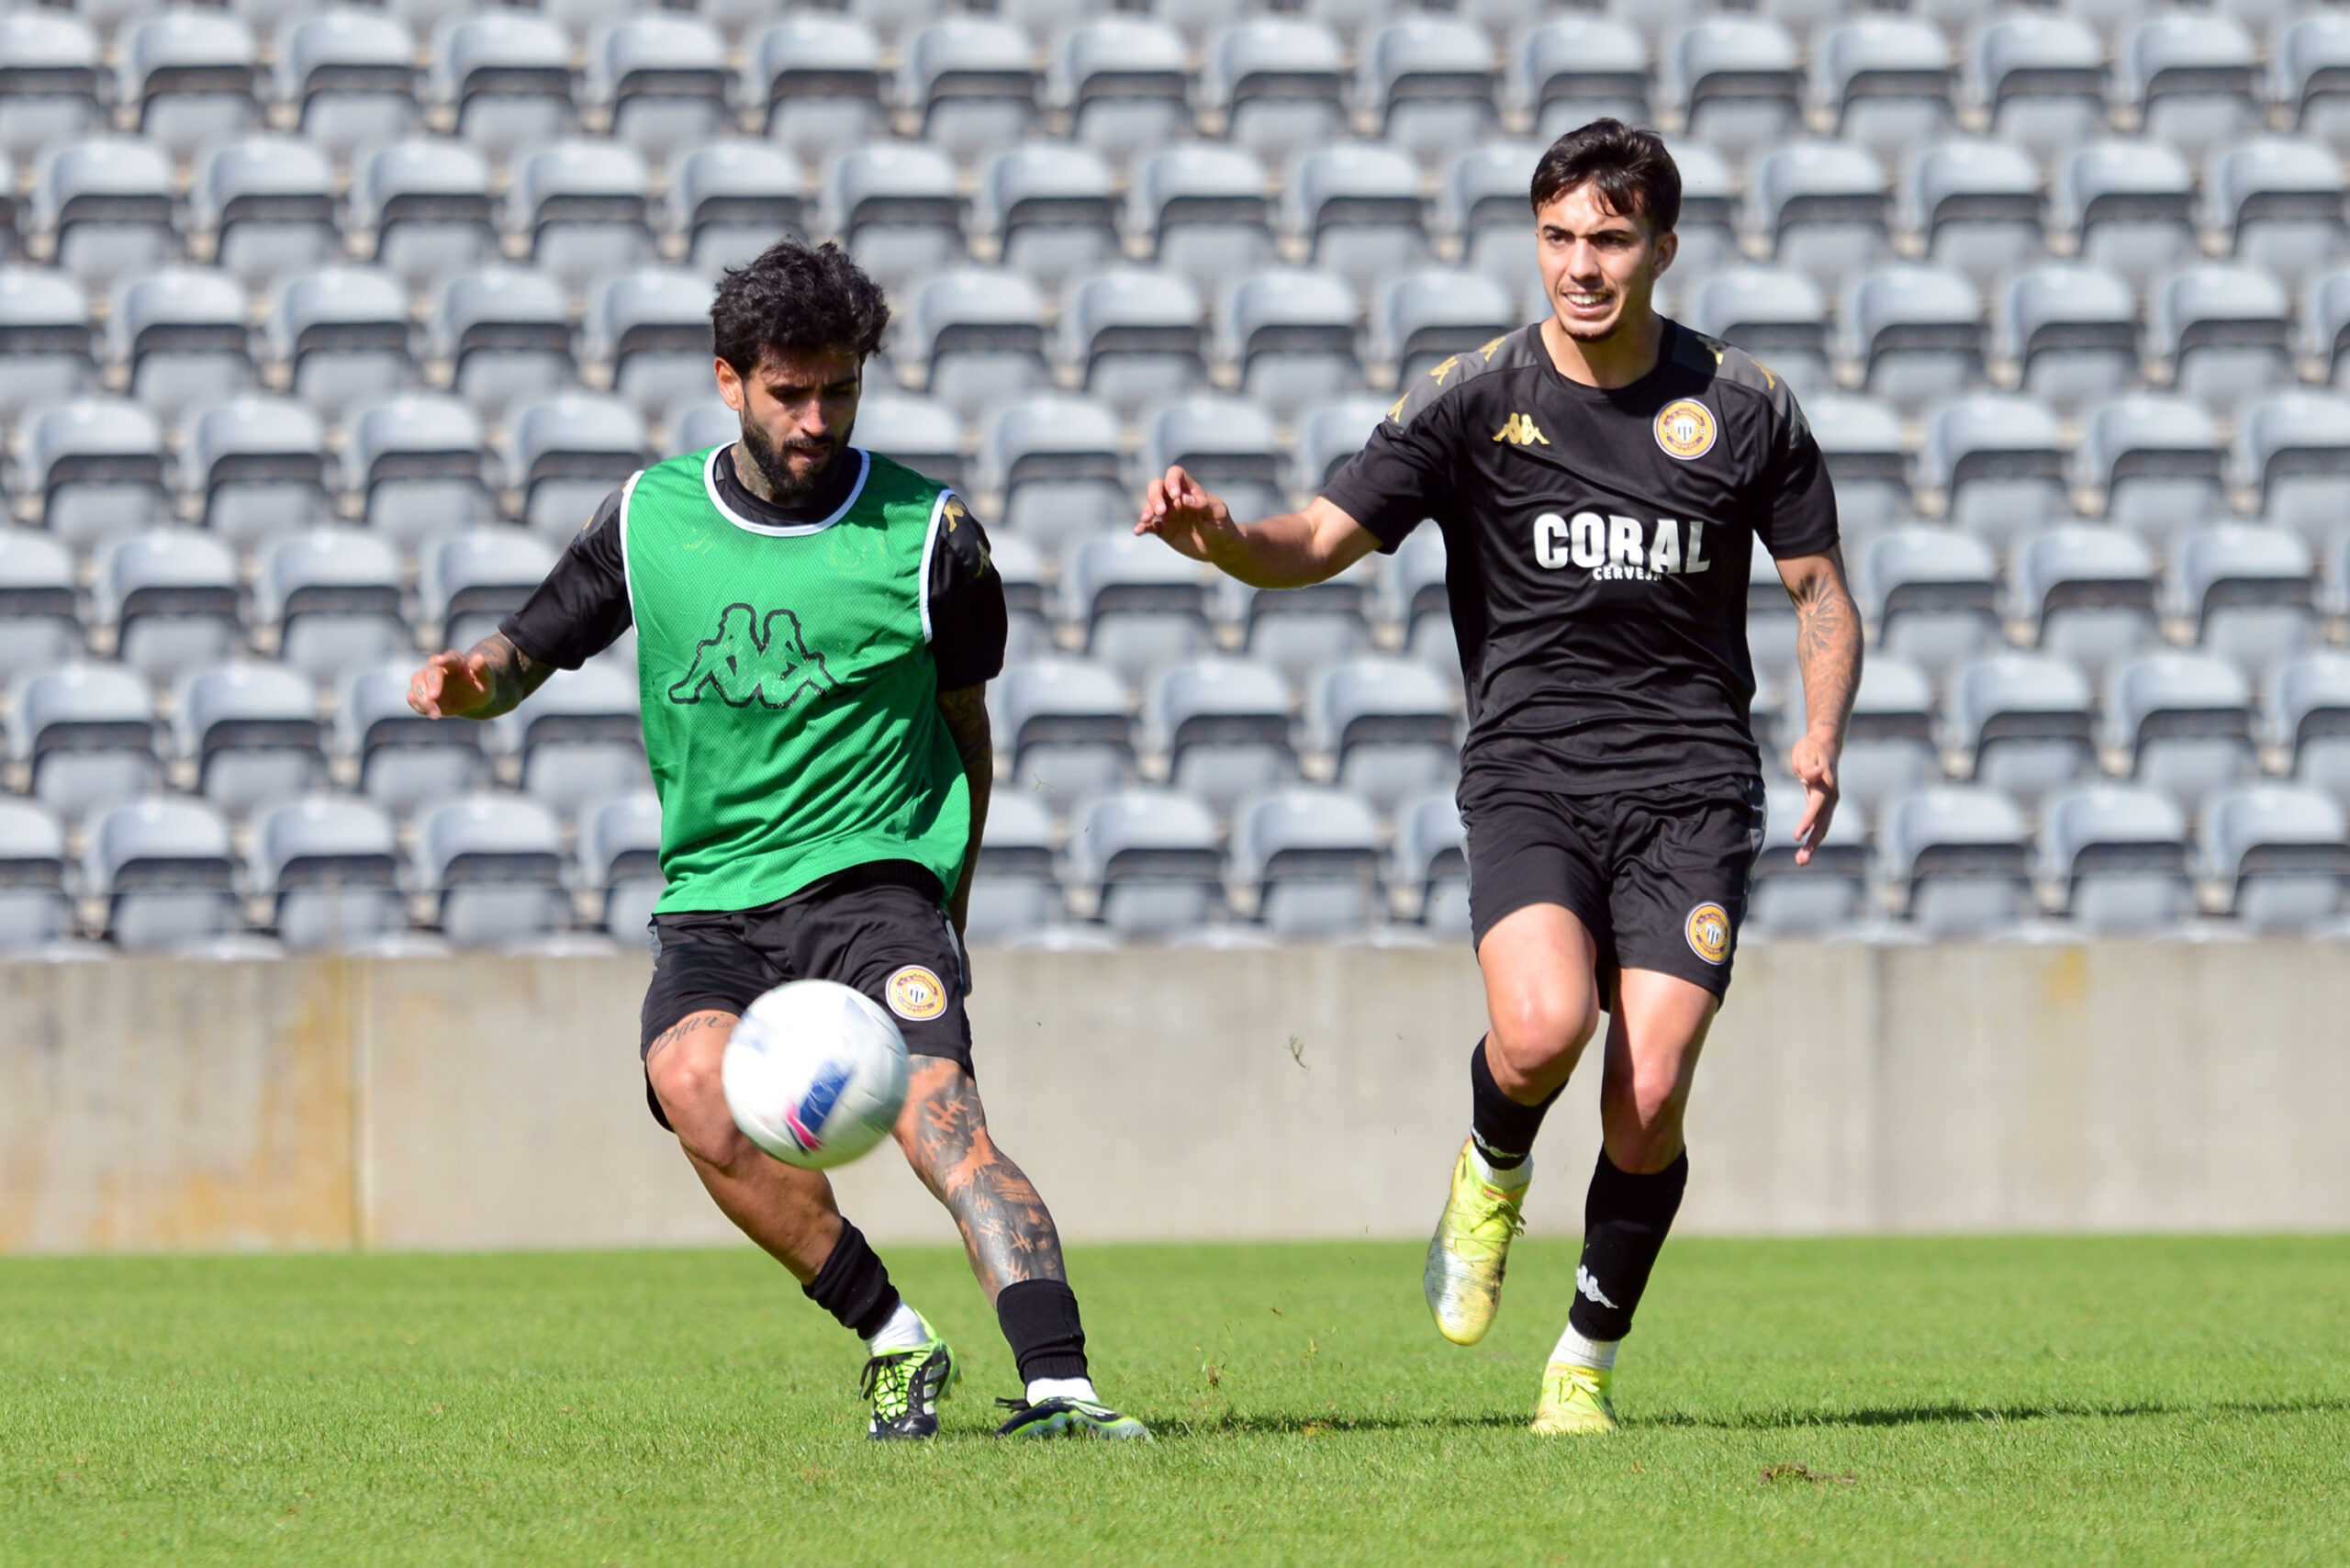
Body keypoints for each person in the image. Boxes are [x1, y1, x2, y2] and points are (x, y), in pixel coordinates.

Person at [1136, 119, 1862, 1433]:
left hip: (1694, 788)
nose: (1582, 265)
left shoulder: (1745, 404)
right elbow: (1319, 537)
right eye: (1559, 237)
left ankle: (1583, 1361)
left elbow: (1819, 591)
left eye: (1612, 240)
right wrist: (1223, 538)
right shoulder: (1473, 397)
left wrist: (1822, 732)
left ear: (1663, 249)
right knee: (1539, 1033)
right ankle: (1490, 1169)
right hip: (1532, 775)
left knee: (1650, 1091)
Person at [408, 240, 1147, 1443]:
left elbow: (967, 727)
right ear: (729, 381)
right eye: (790, 392)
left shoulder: (932, 536)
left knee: (941, 1116)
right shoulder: (650, 519)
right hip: (714, 899)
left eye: (840, 390)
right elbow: (523, 651)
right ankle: (895, 1337)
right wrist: (471, 682)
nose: (817, 420)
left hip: (874, 887)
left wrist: (946, 903)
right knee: (692, 1088)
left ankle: (1062, 1388)